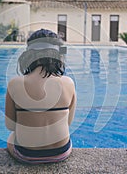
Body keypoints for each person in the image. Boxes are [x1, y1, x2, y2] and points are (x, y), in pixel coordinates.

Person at [5, 29, 76, 164]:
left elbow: (10, 125)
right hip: (61, 152)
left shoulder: (15, 83)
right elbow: (68, 123)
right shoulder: (68, 83)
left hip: (27, 154)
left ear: (29, 55)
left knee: (11, 137)